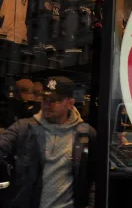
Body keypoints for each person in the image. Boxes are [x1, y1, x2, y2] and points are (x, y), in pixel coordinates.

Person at [0, 76, 96, 208]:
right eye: (45, 99)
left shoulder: (85, 133)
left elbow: (93, 176)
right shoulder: (24, 128)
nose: (47, 104)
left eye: (54, 100)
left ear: (70, 103)